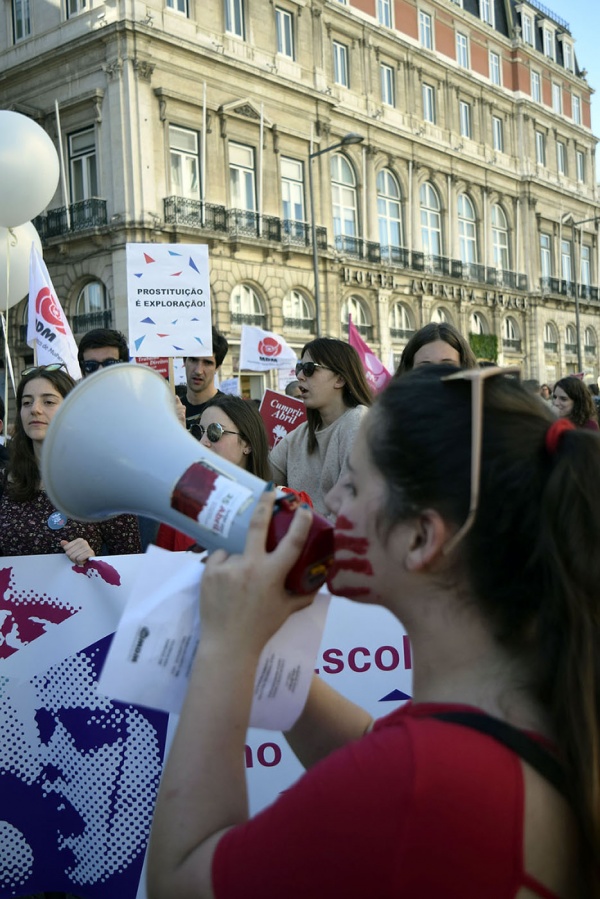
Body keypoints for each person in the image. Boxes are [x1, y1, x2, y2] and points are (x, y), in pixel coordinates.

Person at [148, 364, 600, 898]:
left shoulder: (419, 781)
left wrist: (228, 649)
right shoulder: (528, 708)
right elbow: (371, 744)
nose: (333, 500)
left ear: (419, 539)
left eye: (356, 483)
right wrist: (264, 645)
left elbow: (182, 879)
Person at [0, 363, 142, 559]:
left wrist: (94, 561)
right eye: (27, 402)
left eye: (48, 402)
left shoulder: (106, 486)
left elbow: (130, 566)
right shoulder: (6, 480)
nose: (35, 409)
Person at [268, 337, 372, 517]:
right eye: (300, 368)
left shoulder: (358, 421)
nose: (300, 375)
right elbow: (262, 477)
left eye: (309, 369)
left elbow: (350, 510)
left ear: (339, 379)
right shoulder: (302, 433)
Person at [155, 395, 271, 552]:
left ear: (247, 443)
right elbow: (163, 568)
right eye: (199, 431)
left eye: (214, 431)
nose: (203, 441)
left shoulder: (285, 504)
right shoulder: (181, 505)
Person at [181, 327, 229, 431]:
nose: (198, 371)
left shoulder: (229, 411)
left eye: (207, 363)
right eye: (193, 360)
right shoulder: (172, 410)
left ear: (218, 367)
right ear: (184, 361)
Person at [393, 321, 477, 376]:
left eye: (447, 366)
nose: (436, 374)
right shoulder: (390, 403)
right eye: (425, 367)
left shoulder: (479, 403)